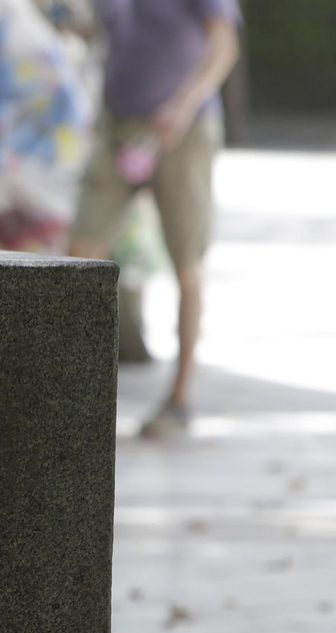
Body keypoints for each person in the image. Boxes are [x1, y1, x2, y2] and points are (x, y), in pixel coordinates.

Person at [67, 0, 241, 437]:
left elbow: (224, 45)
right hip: (117, 128)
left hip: (182, 131)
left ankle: (179, 398)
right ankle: (72, 393)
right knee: (78, 256)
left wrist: (181, 107)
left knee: (187, 265)